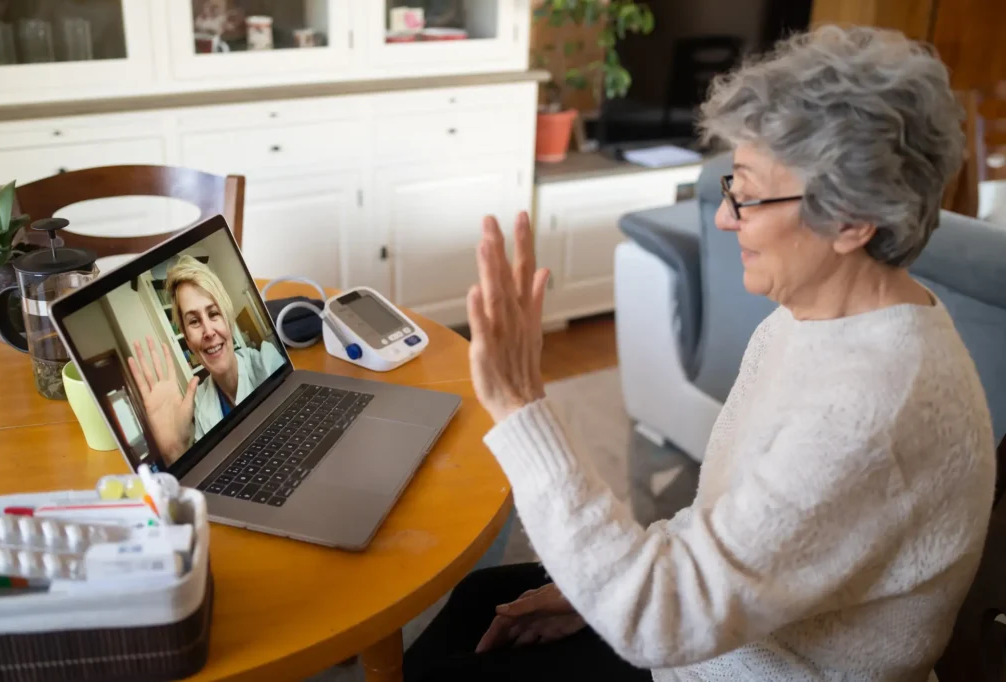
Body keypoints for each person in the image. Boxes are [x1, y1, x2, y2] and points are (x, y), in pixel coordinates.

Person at [404, 25, 998, 682]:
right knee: (475, 606)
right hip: (725, 635)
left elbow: (661, 622)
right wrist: (596, 591)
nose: (724, 218)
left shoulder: (869, 411)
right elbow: (732, 522)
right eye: (728, 185)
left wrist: (521, 407)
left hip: (745, 665)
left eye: (747, 192)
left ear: (853, 221)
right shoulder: (818, 318)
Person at [128, 255, 284, 465]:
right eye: (194, 321)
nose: (208, 331)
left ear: (227, 320)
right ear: (187, 338)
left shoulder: (268, 362)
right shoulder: (201, 402)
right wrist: (175, 451)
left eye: (213, 313)